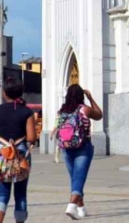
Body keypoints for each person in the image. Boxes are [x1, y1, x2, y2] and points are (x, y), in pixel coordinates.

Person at [0, 80, 38, 223]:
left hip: (2, 155)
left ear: (4, 93)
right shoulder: (27, 112)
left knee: (2, 194)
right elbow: (32, 137)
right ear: (20, 93)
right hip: (21, 156)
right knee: (20, 194)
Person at [54, 83, 101, 219]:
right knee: (79, 178)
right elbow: (99, 115)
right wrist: (91, 98)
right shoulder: (84, 109)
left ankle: (81, 209)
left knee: (76, 179)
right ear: (81, 96)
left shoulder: (61, 111)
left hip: (66, 148)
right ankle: (71, 206)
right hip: (83, 148)